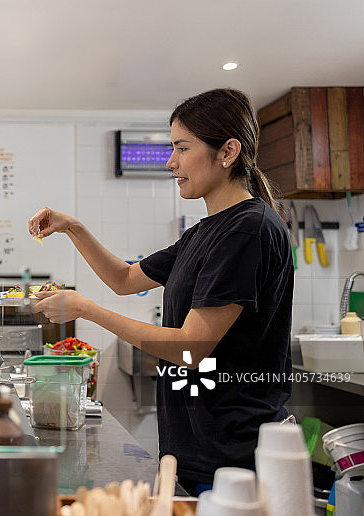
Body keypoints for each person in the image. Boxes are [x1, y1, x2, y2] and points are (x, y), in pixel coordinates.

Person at [28, 88, 293, 495]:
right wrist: (72, 228)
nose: (171, 162)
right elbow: (125, 279)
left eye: (182, 148)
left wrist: (87, 310)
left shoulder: (248, 229)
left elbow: (191, 347)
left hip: (231, 453)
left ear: (228, 151)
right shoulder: (205, 232)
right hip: (195, 446)